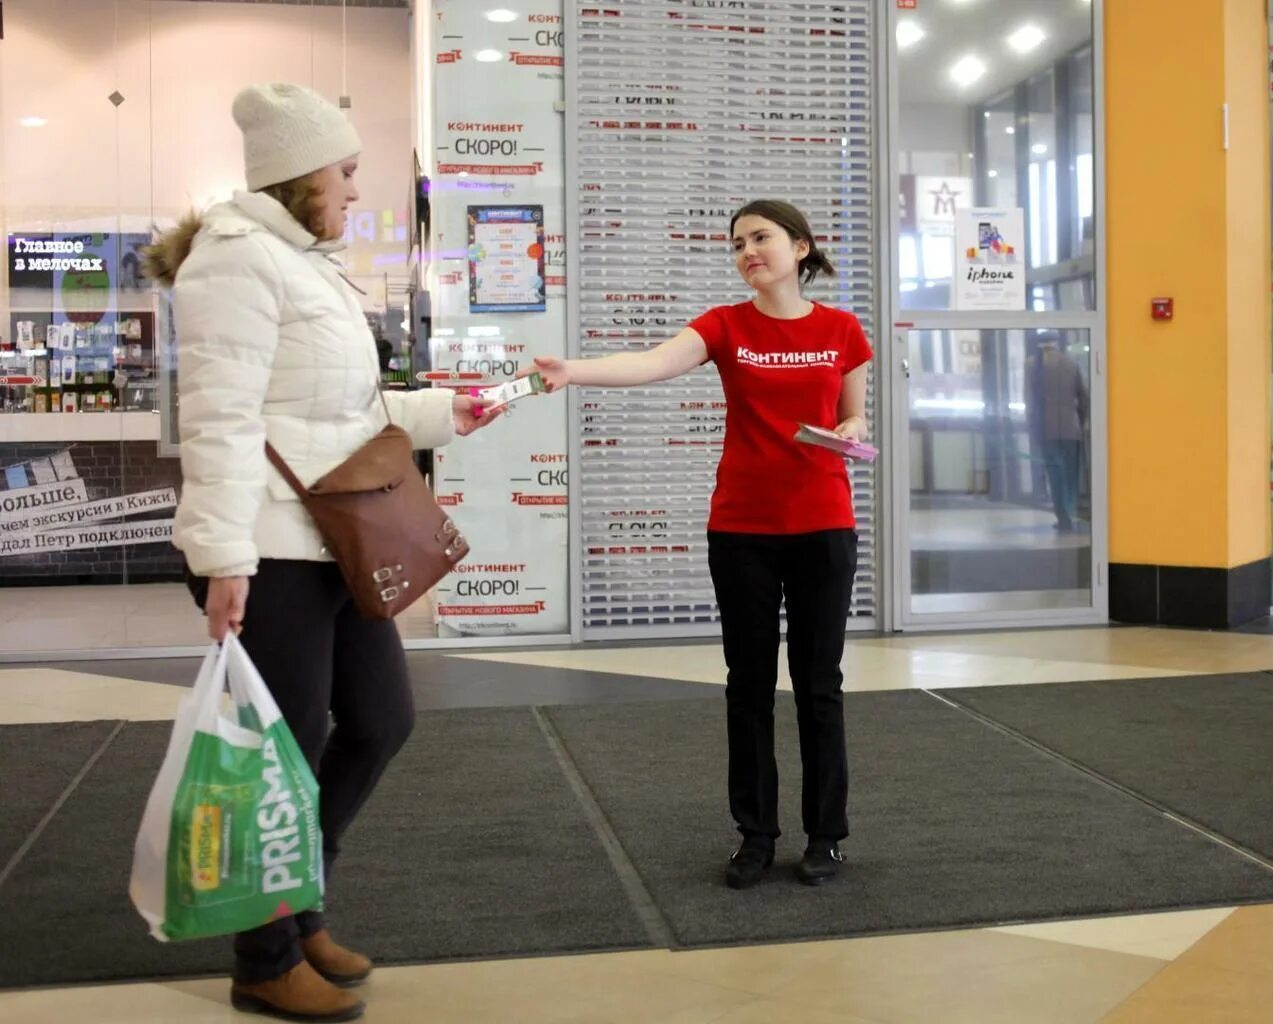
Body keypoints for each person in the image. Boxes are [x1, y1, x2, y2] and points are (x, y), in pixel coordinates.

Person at [143, 83, 497, 1023]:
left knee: (381, 721)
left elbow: (343, 412)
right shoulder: (237, 262)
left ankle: (299, 909)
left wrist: (448, 412)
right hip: (265, 547)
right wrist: (222, 559)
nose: (353, 190)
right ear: (299, 175)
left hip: (329, 537)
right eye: (344, 172)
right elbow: (218, 420)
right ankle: (262, 959)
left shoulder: (307, 264)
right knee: (282, 758)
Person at [523, 200, 871, 889]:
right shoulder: (724, 325)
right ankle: (756, 835)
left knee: (818, 684)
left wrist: (850, 433)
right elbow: (651, 364)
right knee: (748, 686)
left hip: (823, 526)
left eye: (761, 237)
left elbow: (853, 412)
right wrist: (575, 371)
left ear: (800, 247)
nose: (747, 250)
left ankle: (826, 837)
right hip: (742, 530)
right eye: (738, 242)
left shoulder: (841, 329)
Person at [1024, 331, 1088, 531]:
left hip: (1047, 429)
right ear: (1057, 344)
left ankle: (1063, 517)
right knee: (1070, 474)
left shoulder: (1031, 364)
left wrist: (1032, 426)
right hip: (1071, 429)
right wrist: (1081, 421)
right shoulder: (1071, 363)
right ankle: (1071, 511)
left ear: (1039, 344)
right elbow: (1084, 397)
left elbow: (1029, 399)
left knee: (1055, 474)